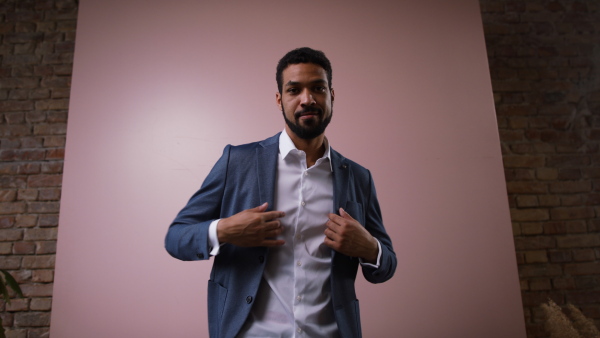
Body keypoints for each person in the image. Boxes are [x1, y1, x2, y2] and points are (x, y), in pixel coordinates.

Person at [165, 47, 396, 338]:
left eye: (318, 88)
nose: (307, 99)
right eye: (294, 90)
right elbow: (176, 238)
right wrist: (224, 230)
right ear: (279, 100)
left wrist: (369, 248)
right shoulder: (237, 162)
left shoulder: (358, 178)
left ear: (331, 96)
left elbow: (386, 266)